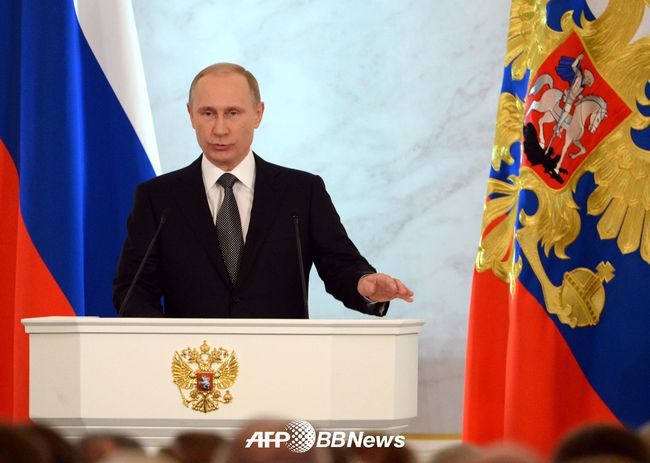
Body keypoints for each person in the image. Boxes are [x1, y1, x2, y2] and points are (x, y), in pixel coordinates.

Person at [113, 63, 413, 318]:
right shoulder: (158, 198)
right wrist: (164, 345)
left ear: (258, 114)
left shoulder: (302, 192)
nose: (220, 129)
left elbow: (339, 265)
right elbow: (133, 289)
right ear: (191, 114)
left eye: (233, 113)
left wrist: (364, 284)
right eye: (208, 113)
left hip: (280, 360)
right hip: (194, 365)